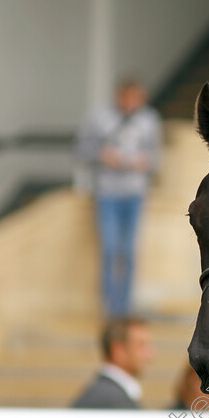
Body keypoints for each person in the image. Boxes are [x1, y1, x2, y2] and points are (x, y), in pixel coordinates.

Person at [77, 77, 162, 317]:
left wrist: (142, 162)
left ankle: (125, 308)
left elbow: (157, 158)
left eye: (138, 99)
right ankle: (109, 308)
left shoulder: (149, 120)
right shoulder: (99, 116)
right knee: (110, 249)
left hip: (135, 193)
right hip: (108, 192)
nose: (132, 104)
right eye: (129, 98)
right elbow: (81, 150)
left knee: (129, 252)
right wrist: (103, 155)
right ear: (119, 95)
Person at [72, 317, 154, 409]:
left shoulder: (103, 392)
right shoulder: (112, 399)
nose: (150, 354)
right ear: (118, 351)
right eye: (141, 345)